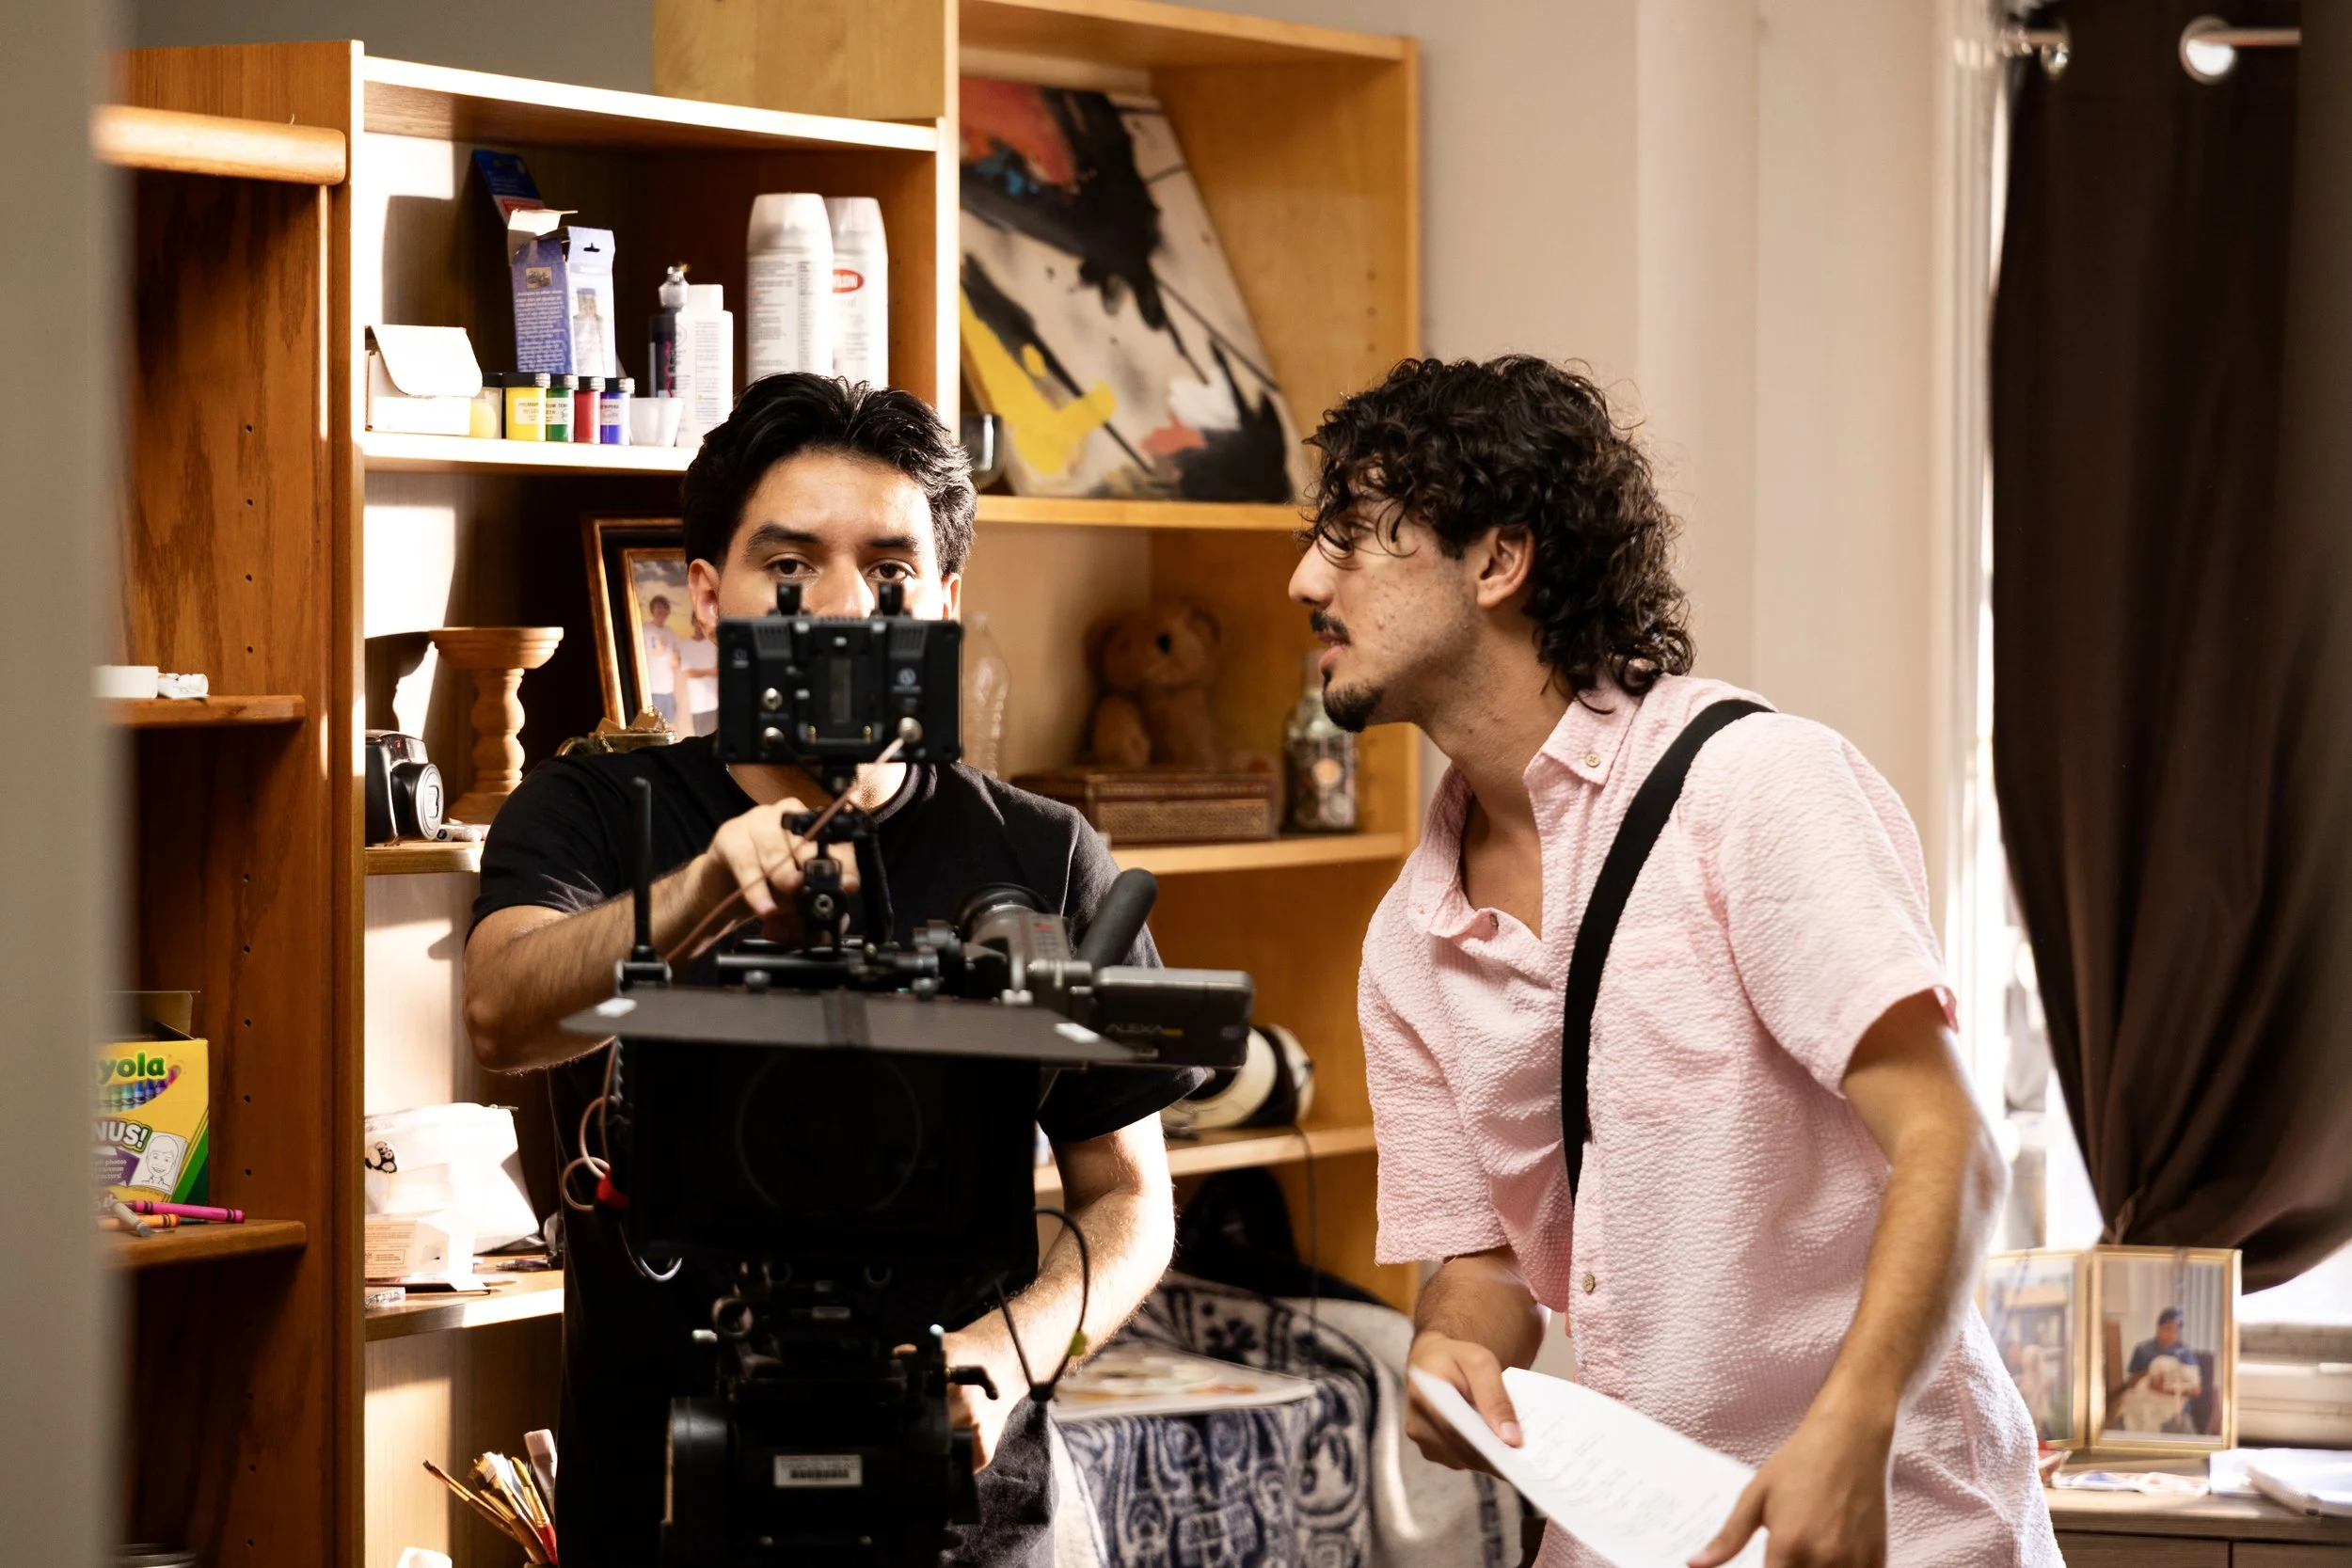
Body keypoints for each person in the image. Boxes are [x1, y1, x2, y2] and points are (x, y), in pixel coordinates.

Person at [1286, 356, 2058, 1568]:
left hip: (1898, 1531)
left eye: (1349, 539)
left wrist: (1849, 1429)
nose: (1303, 579)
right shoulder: (1405, 941)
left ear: (1498, 559)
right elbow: (1483, 1268)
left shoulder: (1752, 789)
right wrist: (1453, 1346)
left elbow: (1949, 1142)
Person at [464, 373, 1200, 1568]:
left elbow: (1127, 1200)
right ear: (707, 596)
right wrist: (705, 888)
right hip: (669, 1492)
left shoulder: (1040, 850)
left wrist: (1000, 1357)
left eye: (895, 573)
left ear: (945, 601)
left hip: (967, 1504)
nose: (847, 608)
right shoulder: (596, 810)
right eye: (791, 568)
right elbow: (502, 1009)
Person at [639, 593, 681, 726]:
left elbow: (677, 653)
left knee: (668, 727)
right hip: (651, 690)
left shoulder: (670, 631)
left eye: (664, 607)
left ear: (668, 611)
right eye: (658, 607)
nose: (661, 610)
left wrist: (677, 659)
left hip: (668, 690)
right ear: (652, 610)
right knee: (651, 728)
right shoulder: (644, 629)